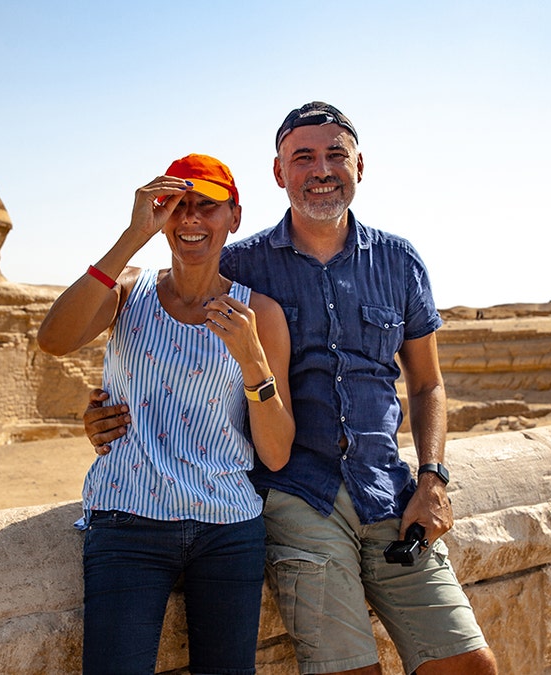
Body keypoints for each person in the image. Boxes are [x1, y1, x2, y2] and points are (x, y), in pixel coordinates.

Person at [83, 104, 498, 675]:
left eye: (335, 155)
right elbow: (168, 340)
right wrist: (105, 404)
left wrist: (432, 479)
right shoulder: (238, 264)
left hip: (390, 494)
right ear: (279, 172)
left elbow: (427, 383)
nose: (320, 169)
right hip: (296, 496)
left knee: (470, 666)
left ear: (360, 165)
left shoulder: (400, 262)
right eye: (303, 157)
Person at [37, 153, 295, 674]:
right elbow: (53, 340)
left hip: (228, 526)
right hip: (128, 520)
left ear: (234, 217)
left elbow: (275, 452)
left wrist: (253, 363)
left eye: (207, 206)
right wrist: (133, 236)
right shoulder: (127, 293)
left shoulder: (259, 315)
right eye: (177, 206)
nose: (191, 218)